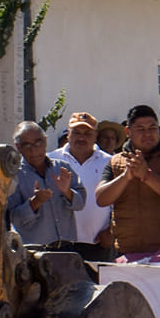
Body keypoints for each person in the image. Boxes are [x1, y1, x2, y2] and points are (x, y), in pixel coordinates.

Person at [97, 103, 160, 256]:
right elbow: (101, 199)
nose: (147, 134)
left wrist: (146, 176)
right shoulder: (115, 161)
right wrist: (125, 177)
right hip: (126, 251)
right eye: (140, 129)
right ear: (128, 131)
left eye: (152, 128)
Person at [5, 120, 83, 246]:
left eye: (38, 143)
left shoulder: (62, 168)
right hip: (35, 253)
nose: (34, 151)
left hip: (67, 248)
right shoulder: (13, 176)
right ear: (18, 147)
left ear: (45, 141)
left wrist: (67, 192)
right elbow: (15, 219)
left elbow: (80, 204)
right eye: (27, 146)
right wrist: (35, 202)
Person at [54, 112, 116, 262]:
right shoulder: (52, 160)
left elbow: (122, 201)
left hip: (98, 244)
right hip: (59, 245)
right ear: (68, 134)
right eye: (76, 132)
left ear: (95, 136)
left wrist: (112, 231)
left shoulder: (111, 162)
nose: (81, 138)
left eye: (87, 133)